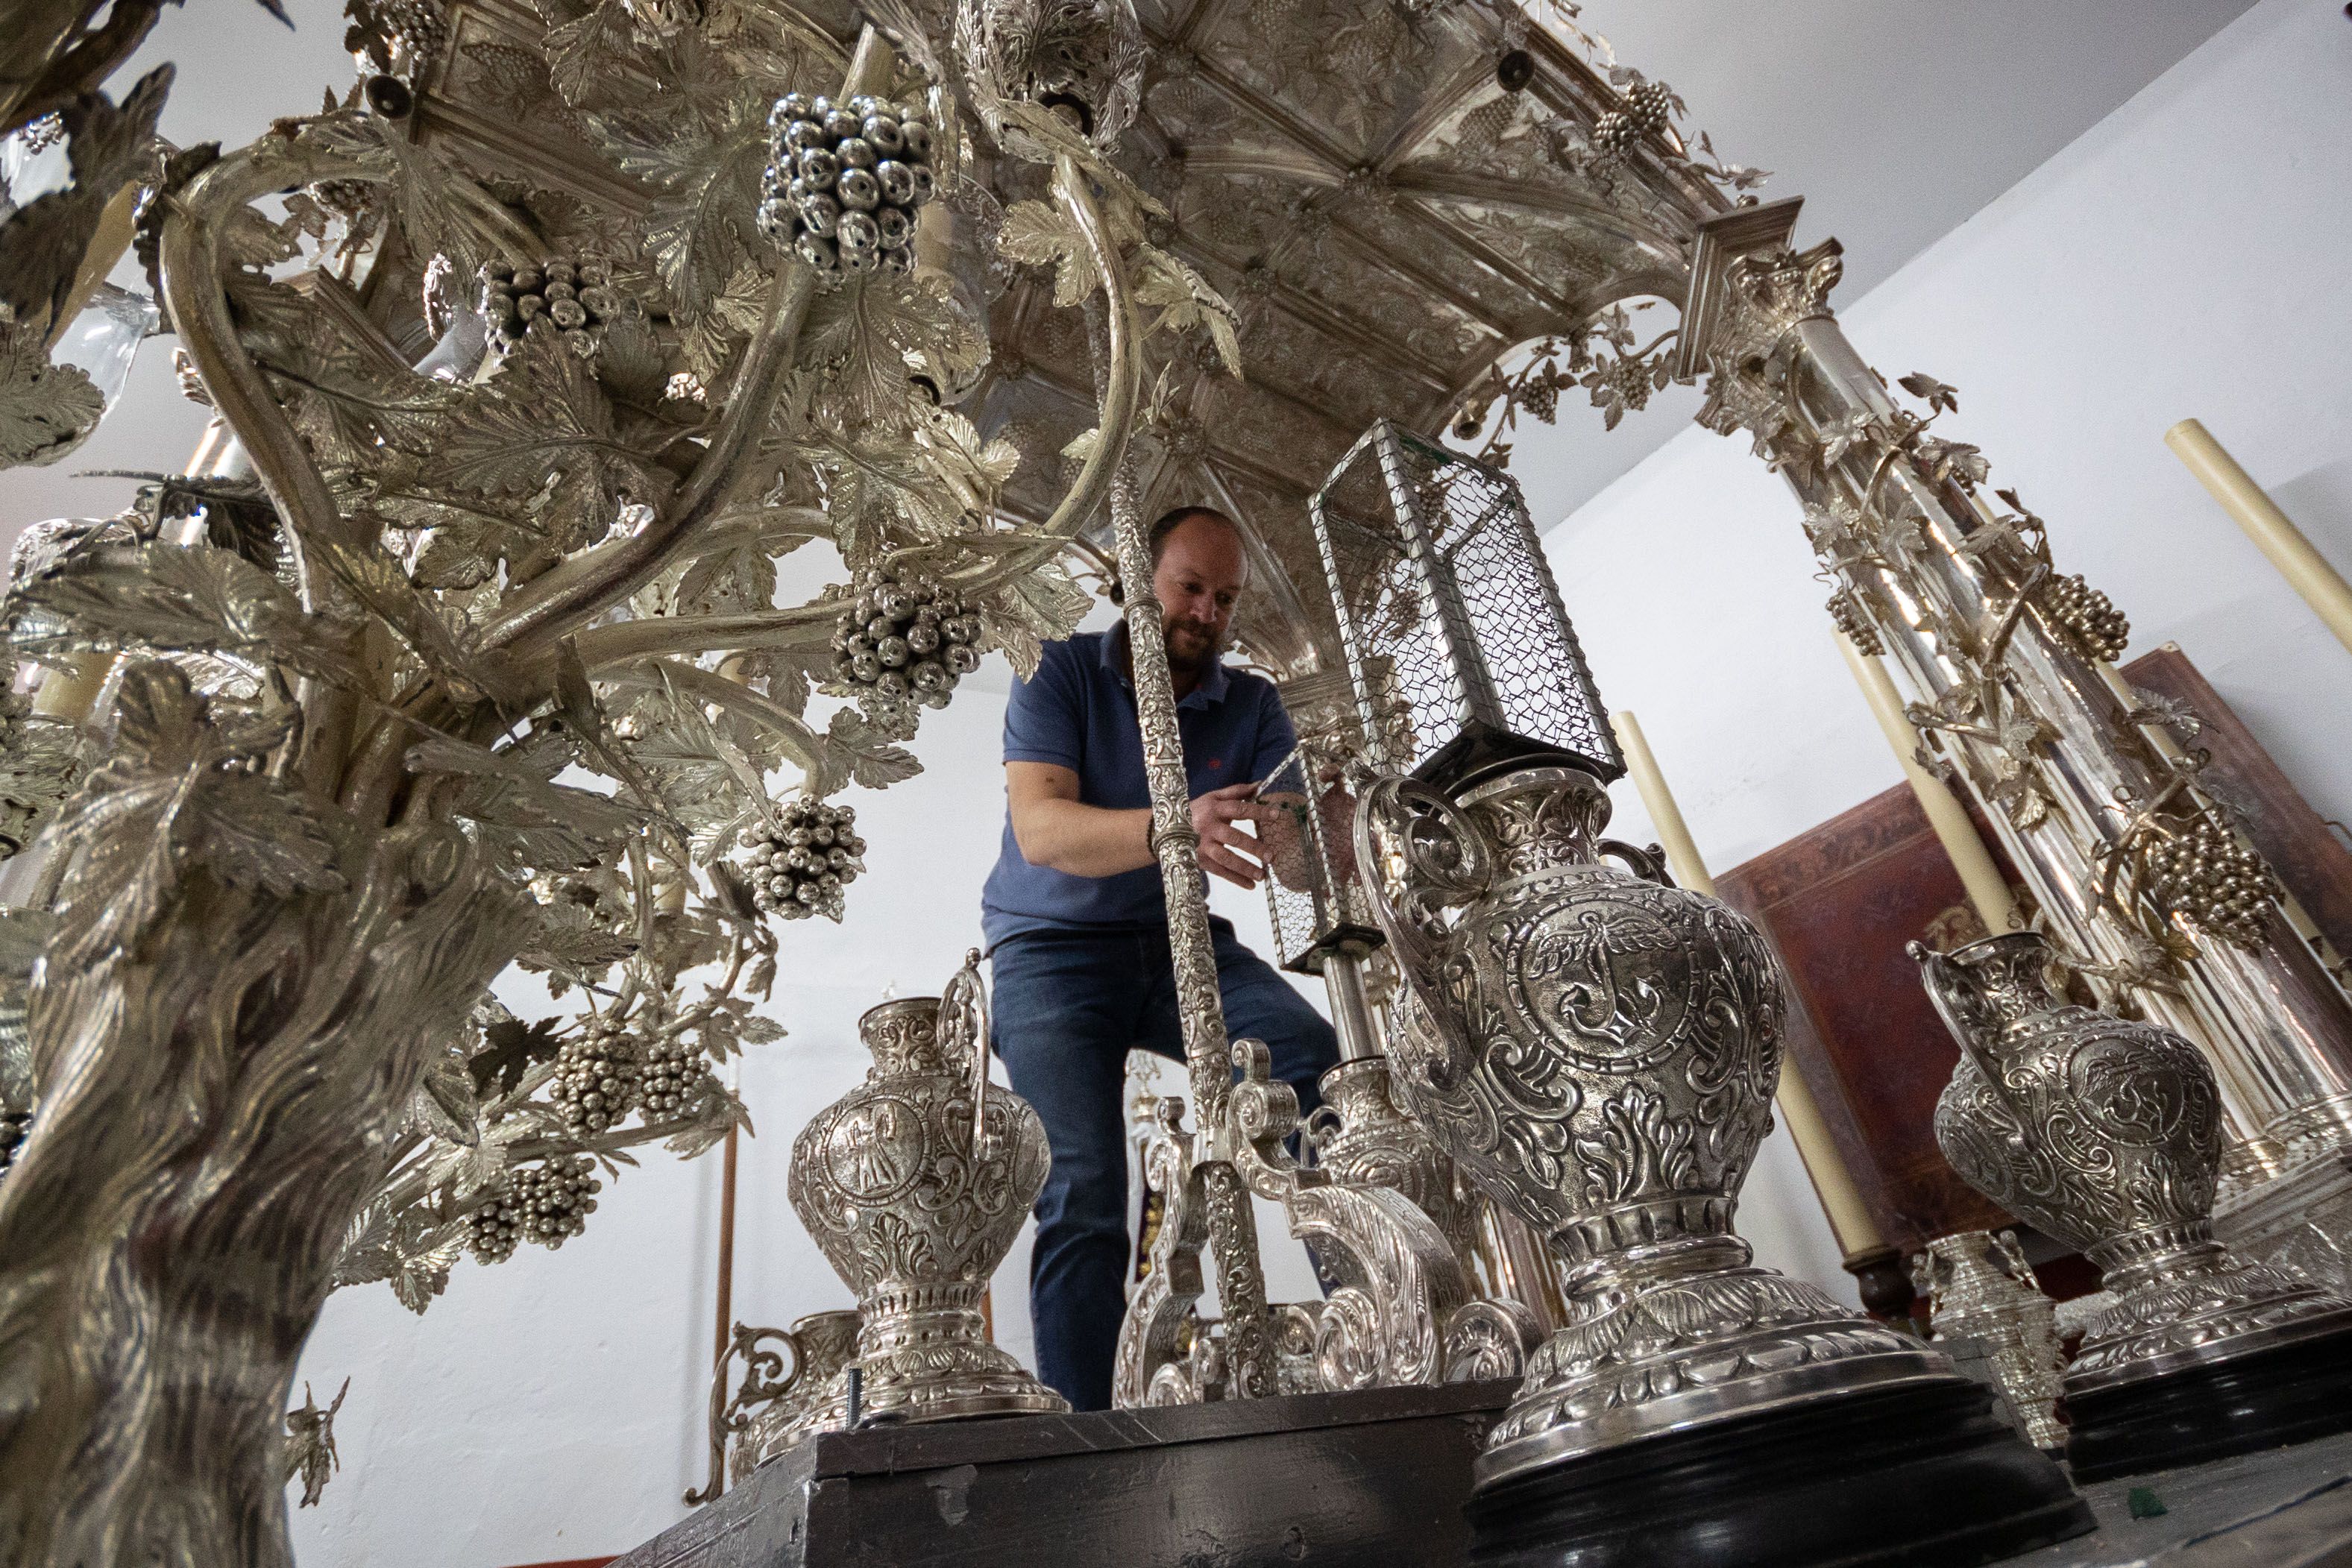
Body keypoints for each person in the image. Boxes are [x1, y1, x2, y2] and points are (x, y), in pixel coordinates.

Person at [982, 505, 1341, 1411]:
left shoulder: (1252, 704)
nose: (1207, 612)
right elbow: (1042, 831)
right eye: (1190, 587)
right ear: (1137, 580)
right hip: (1048, 951)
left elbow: (1297, 864)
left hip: (1177, 938)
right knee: (1082, 1186)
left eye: (1225, 598)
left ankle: (1374, 1336)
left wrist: (1328, 812)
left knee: (1312, 1061)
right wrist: (1178, 826)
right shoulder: (1056, 667)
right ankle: (1089, 1437)